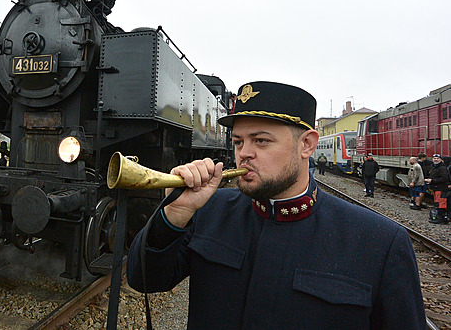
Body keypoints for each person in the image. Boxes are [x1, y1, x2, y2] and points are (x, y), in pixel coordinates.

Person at [127, 81, 425, 329]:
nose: (244, 153)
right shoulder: (210, 210)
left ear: (307, 145)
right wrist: (175, 214)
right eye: (239, 141)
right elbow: (145, 279)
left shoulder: (379, 241)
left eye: (261, 141)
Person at [425, 154, 450, 224]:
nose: (436, 159)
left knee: (441, 203)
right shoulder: (434, 167)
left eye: (437, 158)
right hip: (436, 188)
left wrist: (432, 181)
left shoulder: (442, 168)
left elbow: (444, 178)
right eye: (434, 158)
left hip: (441, 189)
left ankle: (441, 218)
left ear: (440, 160)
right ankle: (439, 217)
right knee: (438, 203)